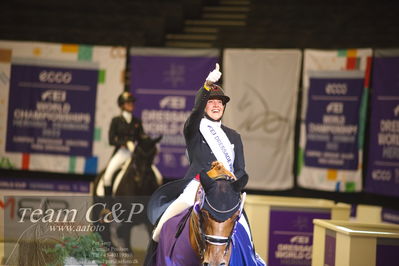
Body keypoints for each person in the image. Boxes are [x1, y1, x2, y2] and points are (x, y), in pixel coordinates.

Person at [150, 63, 251, 241]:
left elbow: (241, 169)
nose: (216, 106)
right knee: (160, 230)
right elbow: (195, 113)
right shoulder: (195, 129)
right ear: (204, 106)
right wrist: (206, 86)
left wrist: (232, 181)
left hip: (224, 191)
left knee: (247, 233)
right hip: (196, 186)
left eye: (219, 103)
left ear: (224, 107)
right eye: (211, 102)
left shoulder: (234, 136)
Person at [102, 91, 146, 196]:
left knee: (156, 174)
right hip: (122, 152)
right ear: (122, 105)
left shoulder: (137, 121)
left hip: (135, 153)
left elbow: (142, 137)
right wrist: (125, 143)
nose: (131, 104)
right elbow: (111, 140)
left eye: (132, 102)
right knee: (108, 176)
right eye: (128, 102)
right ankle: (107, 205)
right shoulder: (116, 120)